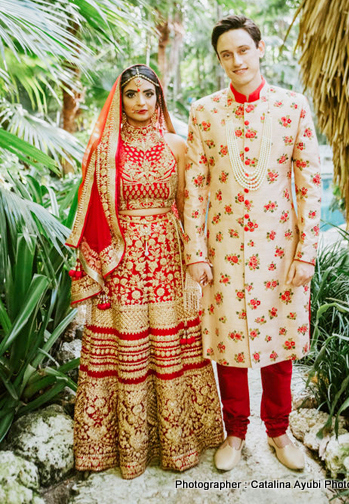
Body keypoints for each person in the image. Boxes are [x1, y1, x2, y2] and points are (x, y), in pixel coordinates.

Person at [66, 64, 223, 480]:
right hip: (123, 259)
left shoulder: (177, 144)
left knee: (174, 342)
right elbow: (95, 213)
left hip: (169, 255)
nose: (141, 102)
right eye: (132, 94)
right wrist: (96, 268)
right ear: (120, 99)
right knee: (127, 346)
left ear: (160, 97)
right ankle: (122, 449)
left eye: (149, 94)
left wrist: (195, 261)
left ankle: (181, 441)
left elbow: (193, 208)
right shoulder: (104, 150)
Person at [184, 16, 321, 472]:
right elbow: (195, 185)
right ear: (220, 59)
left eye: (243, 50)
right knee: (229, 343)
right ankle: (235, 432)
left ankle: (279, 431)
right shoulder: (205, 111)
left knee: (278, 344)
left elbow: (310, 182)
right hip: (222, 248)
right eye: (226, 54)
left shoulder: (292, 106)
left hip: (279, 248)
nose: (236, 60)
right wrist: (196, 252)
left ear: (259, 49)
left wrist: (307, 251)